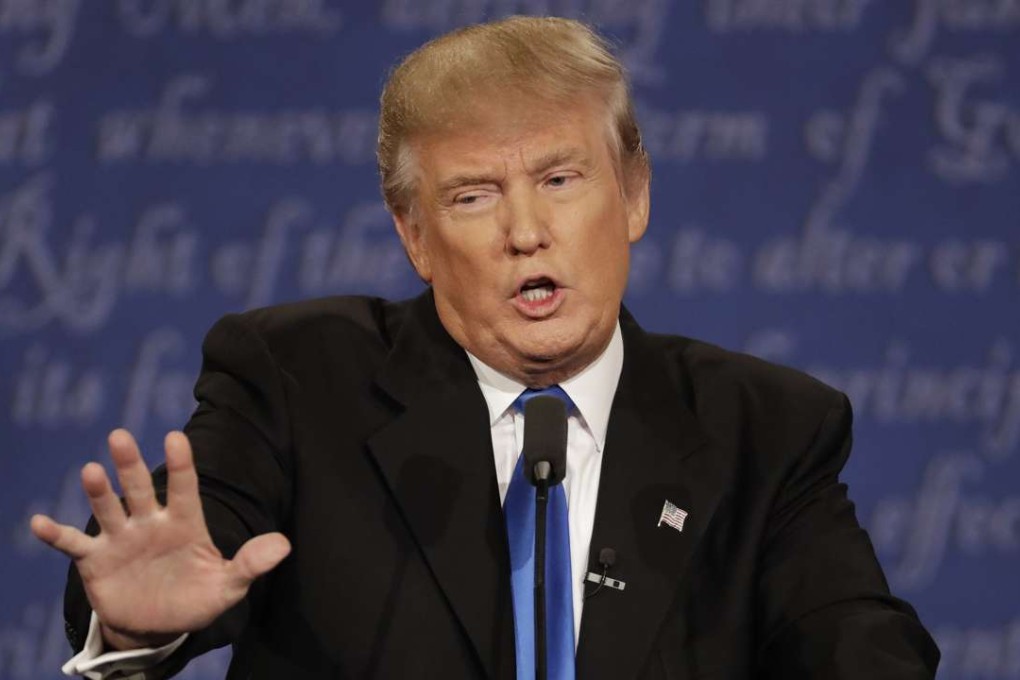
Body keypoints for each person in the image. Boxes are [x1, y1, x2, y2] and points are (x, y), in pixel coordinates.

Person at [31, 16, 939, 680]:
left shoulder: (767, 430)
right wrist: (138, 632)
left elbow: (853, 638)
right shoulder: (297, 382)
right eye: (473, 196)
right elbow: (198, 550)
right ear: (414, 236)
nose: (526, 231)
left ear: (633, 195)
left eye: (559, 178)